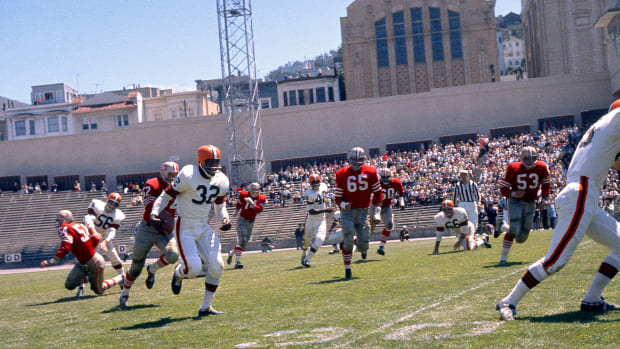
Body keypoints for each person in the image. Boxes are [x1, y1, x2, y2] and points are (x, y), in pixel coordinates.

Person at [496, 101, 620, 321]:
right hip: (581, 193)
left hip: (583, 193)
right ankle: (509, 301)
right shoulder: (615, 119)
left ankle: (592, 300)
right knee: (556, 260)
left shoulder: (600, 128)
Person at [152, 144, 230, 317]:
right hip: (185, 225)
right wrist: (154, 212)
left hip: (204, 226)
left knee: (217, 267)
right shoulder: (188, 173)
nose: (214, 166)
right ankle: (178, 274)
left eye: (216, 162)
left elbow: (220, 207)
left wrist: (225, 218)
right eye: (210, 162)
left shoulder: (221, 179)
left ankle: (205, 307)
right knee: (193, 269)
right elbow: (166, 195)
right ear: (200, 161)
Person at [119, 161, 180, 308]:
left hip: (164, 230)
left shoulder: (179, 186)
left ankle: (152, 269)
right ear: (164, 173)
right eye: (171, 174)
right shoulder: (152, 184)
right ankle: (124, 295)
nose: (173, 177)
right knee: (136, 267)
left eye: (175, 175)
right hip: (147, 228)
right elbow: (151, 206)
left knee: (173, 255)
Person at [40, 210, 123, 296]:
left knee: (99, 290)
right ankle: (91, 278)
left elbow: (65, 248)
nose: (58, 222)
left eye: (59, 220)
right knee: (70, 285)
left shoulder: (65, 228)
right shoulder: (80, 225)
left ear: (64, 220)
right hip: (85, 261)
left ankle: (121, 278)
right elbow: (94, 239)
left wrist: (51, 261)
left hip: (93, 261)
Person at [334, 146, 383, 280]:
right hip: (347, 213)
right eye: (354, 159)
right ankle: (347, 270)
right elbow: (337, 198)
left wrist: (377, 212)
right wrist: (343, 204)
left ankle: (355, 242)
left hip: (363, 212)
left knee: (363, 246)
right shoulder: (341, 174)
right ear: (349, 159)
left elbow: (378, 194)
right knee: (348, 240)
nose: (356, 162)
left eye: (359, 159)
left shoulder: (371, 172)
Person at [496, 146, 551, 265]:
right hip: (516, 201)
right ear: (522, 158)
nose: (530, 161)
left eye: (533, 158)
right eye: (527, 158)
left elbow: (546, 185)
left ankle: (503, 227)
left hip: (531, 202)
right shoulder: (513, 167)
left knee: (522, 238)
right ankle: (503, 258)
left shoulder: (542, 167)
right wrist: (513, 193)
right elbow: (503, 188)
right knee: (514, 227)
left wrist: (543, 199)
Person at [83, 192, 126, 281]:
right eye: (111, 202)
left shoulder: (118, 215)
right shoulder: (97, 205)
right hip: (90, 236)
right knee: (88, 262)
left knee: (114, 257)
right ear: (107, 200)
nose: (112, 205)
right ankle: (81, 286)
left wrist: (105, 241)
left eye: (115, 204)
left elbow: (112, 231)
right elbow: (88, 218)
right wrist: (93, 232)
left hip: (104, 237)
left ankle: (123, 278)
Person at [227, 182, 266, 269]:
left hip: (251, 222)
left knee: (244, 243)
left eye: (256, 190)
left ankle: (231, 253)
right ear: (249, 190)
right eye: (253, 190)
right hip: (242, 220)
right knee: (242, 239)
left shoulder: (262, 198)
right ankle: (237, 262)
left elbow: (259, 210)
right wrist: (236, 211)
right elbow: (239, 203)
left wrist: (252, 204)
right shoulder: (243, 194)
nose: (255, 192)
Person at [300, 174, 333, 267]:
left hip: (321, 219)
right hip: (311, 219)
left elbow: (324, 197)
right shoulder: (308, 193)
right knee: (307, 241)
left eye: (317, 181)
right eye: (313, 182)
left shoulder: (324, 186)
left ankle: (307, 260)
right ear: (310, 183)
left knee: (320, 239)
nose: (315, 184)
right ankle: (304, 253)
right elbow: (311, 211)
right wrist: (325, 210)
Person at [372, 167, 404, 256]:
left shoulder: (396, 182)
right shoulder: (376, 183)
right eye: (383, 177)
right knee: (370, 227)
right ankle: (363, 248)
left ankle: (381, 246)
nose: (385, 179)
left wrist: (402, 202)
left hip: (386, 206)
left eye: (387, 177)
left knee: (389, 225)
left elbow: (401, 192)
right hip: (375, 205)